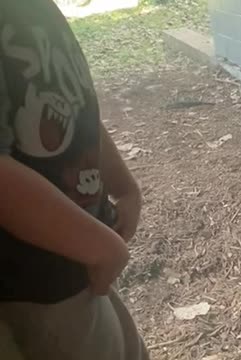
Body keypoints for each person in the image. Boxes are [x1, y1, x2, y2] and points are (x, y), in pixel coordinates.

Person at [0, 0, 149, 359]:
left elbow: (72, 105)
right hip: (35, 284)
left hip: (80, 261)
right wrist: (101, 248)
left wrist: (123, 185)